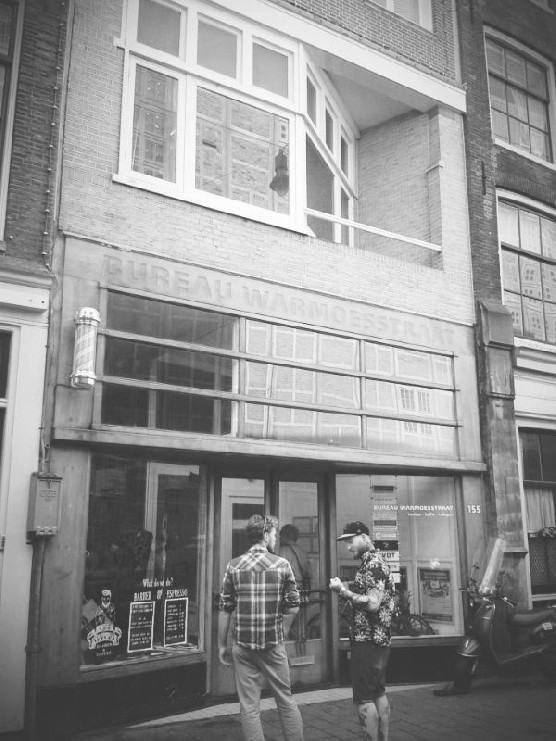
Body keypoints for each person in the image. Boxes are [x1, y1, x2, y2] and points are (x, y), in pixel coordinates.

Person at [218, 514, 305, 741]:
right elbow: (294, 606)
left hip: (243, 646)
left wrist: (222, 645)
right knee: (285, 700)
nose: (275, 538)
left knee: (248, 707)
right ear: (265, 535)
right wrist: (283, 631)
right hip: (273, 645)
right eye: (274, 534)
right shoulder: (282, 565)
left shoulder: (233, 566)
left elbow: (225, 608)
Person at [329, 521, 395, 741]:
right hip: (379, 639)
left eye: (350, 541)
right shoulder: (375, 563)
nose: (348, 547)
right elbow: (369, 589)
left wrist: (343, 592)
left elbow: (373, 603)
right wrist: (347, 585)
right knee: (378, 692)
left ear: (365, 537)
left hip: (367, 640)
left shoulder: (373, 564)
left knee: (364, 700)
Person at [278, 524, 313, 645]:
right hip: (301, 592)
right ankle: (301, 654)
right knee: (299, 628)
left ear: (285, 535)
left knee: (283, 629)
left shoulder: (280, 550)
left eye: (280, 534)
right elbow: (308, 574)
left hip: (285, 592)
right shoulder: (302, 552)